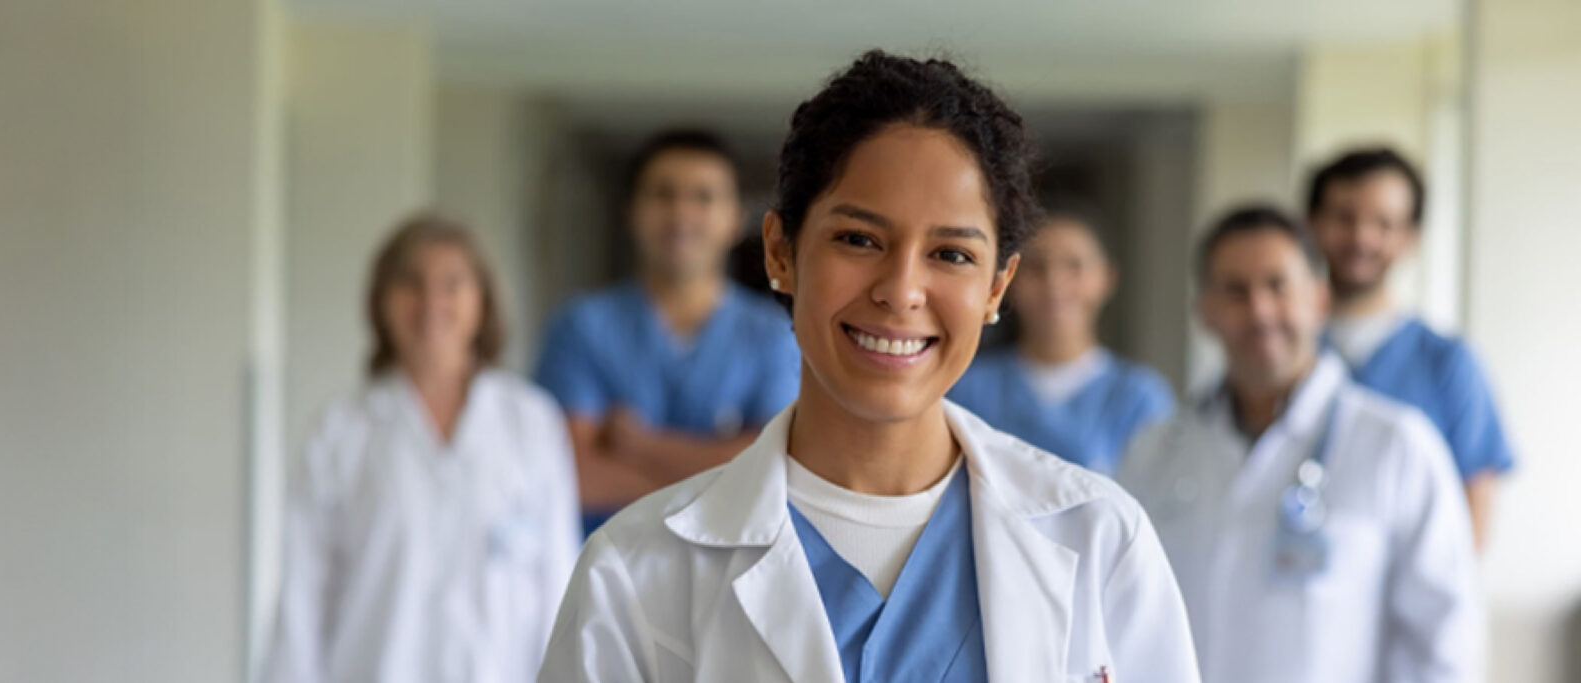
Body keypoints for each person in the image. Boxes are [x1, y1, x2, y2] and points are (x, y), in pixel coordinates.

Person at [539, 51, 1199, 683]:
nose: (901, 290)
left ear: (997, 287)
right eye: (859, 239)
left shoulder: (1100, 539)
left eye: (952, 254)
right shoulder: (634, 569)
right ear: (780, 252)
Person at [1119, 206, 1482, 683]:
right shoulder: (1154, 451)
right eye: (1235, 291)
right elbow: (1124, 615)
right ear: (1203, 311)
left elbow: (1445, 639)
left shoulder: (1398, 446)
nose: (1260, 311)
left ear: (1320, 299)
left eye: (1278, 286)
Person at [269, 216, 579, 683]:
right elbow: (301, 596)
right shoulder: (340, 431)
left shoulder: (531, 423)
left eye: (452, 284)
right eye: (411, 283)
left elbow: (558, 580)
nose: (431, 302)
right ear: (381, 300)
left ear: (483, 300)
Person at [534, 128, 802, 536]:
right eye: (663, 195)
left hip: (733, 566)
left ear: (736, 219)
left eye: (703, 197)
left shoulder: (774, 336)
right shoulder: (581, 327)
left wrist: (638, 445)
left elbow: (777, 468)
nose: (681, 215)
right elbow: (572, 472)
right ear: (630, 211)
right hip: (606, 561)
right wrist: (717, 477)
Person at [1304, 148, 1512, 548]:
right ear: (1311, 223)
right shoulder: (1282, 354)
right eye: (1344, 217)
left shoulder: (1449, 364)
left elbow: (1471, 525)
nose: (1361, 237)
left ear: (1410, 237)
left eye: (1383, 223)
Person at [947, 215, 1174, 474]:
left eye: (1074, 266)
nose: (1054, 284)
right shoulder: (965, 387)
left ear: (1107, 278)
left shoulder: (1140, 399)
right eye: (1036, 267)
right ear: (1009, 279)